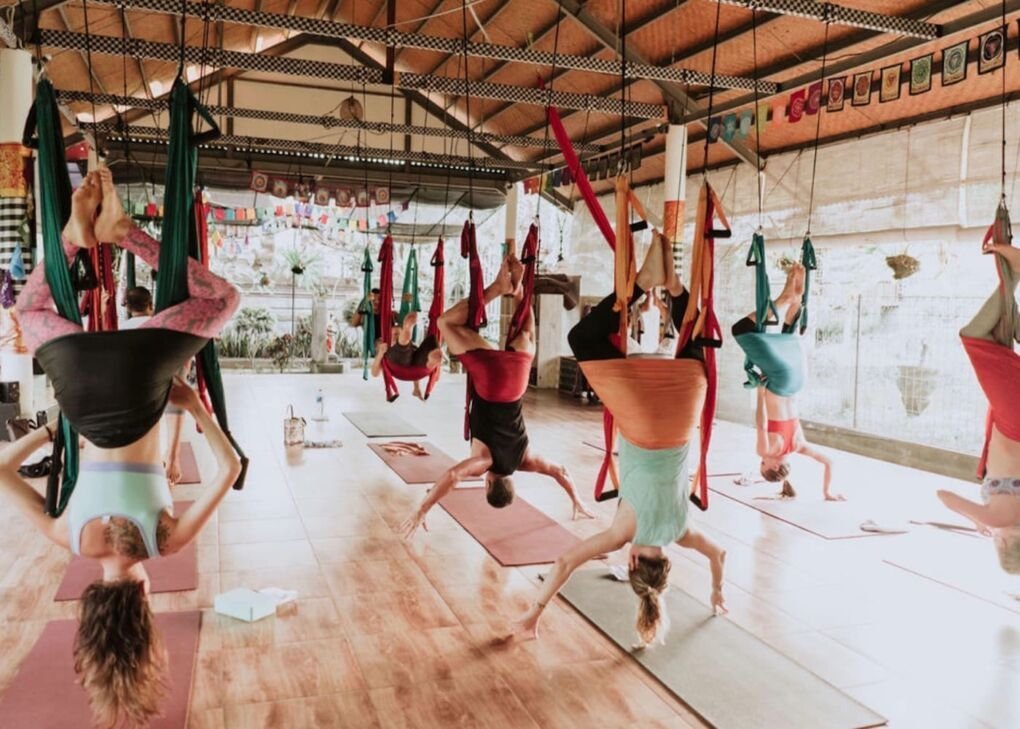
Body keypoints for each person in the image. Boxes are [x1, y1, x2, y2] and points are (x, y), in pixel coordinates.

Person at [10, 168, 242, 727]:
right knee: (28, 312)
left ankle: (125, 233)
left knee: (224, 299)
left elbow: (230, 468)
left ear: (142, 605)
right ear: (91, 606)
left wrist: (192, 406)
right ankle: (72, 237)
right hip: (82, 387)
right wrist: (51, 426)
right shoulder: (68, 536)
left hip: (142, 373)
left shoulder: (164, 542)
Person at [511, 233, 727, 646]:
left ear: (665, 561)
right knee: (582, 342)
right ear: (630, 561)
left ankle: (676, 289)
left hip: (685, 413)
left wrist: (717, 590)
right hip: (643, 423)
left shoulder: (682, 531)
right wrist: (533, 614)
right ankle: (645, 283)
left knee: (696, 345)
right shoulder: (623, 532)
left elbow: (719, 555)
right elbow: (565, 561)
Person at [401, 255, 593, 536]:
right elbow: (453, 476)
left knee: (527, 332)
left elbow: (559, 471)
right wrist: (422, 509)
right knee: (445, 324)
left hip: (516, 384)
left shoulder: (525, 459)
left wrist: (576, 499)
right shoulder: (485, 462)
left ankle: (518, 293)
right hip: (492, 383)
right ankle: (497, 289)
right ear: (489, 483)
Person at [939, 237, 1020, 573]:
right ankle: (1015, 274)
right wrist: (979, 518)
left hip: (1011, 422)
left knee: (996, 342)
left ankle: (1013, 279)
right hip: (1014, 420)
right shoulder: (994, 517)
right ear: (1002, 543)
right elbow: (943, 495)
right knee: (974, 338)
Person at [732, 263, 844, 501]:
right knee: (741, 330)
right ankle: (786, 298)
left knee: (788, 336)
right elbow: (761, 423)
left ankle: (796, 297)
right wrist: (761, 392)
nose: (762, 458)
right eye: (763, 464)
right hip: (780, 380)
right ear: (772, 466)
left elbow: (829, 462)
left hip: (798, 379)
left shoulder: (799, 446)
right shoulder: (767, 449)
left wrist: (827, 492)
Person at [120, 286, 187, 485]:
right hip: (162, 382)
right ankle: (173, 457)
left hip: (132, 390)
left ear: (129, 307)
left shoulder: (120, 328)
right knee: (177, 398)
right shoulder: (162, 327)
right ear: (151, 305)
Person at [370, 310, 443, 399]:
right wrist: (380, 354)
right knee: (402, 347)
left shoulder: (410, 346)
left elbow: (413, 366)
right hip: (396, 364)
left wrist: (416, 387)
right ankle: (407, 331)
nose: (397, 336)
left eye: (399, 334)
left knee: (432, 339)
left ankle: (431, 361)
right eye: (395, 334)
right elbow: (374, 373)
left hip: (419, 364)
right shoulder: (384, 348)